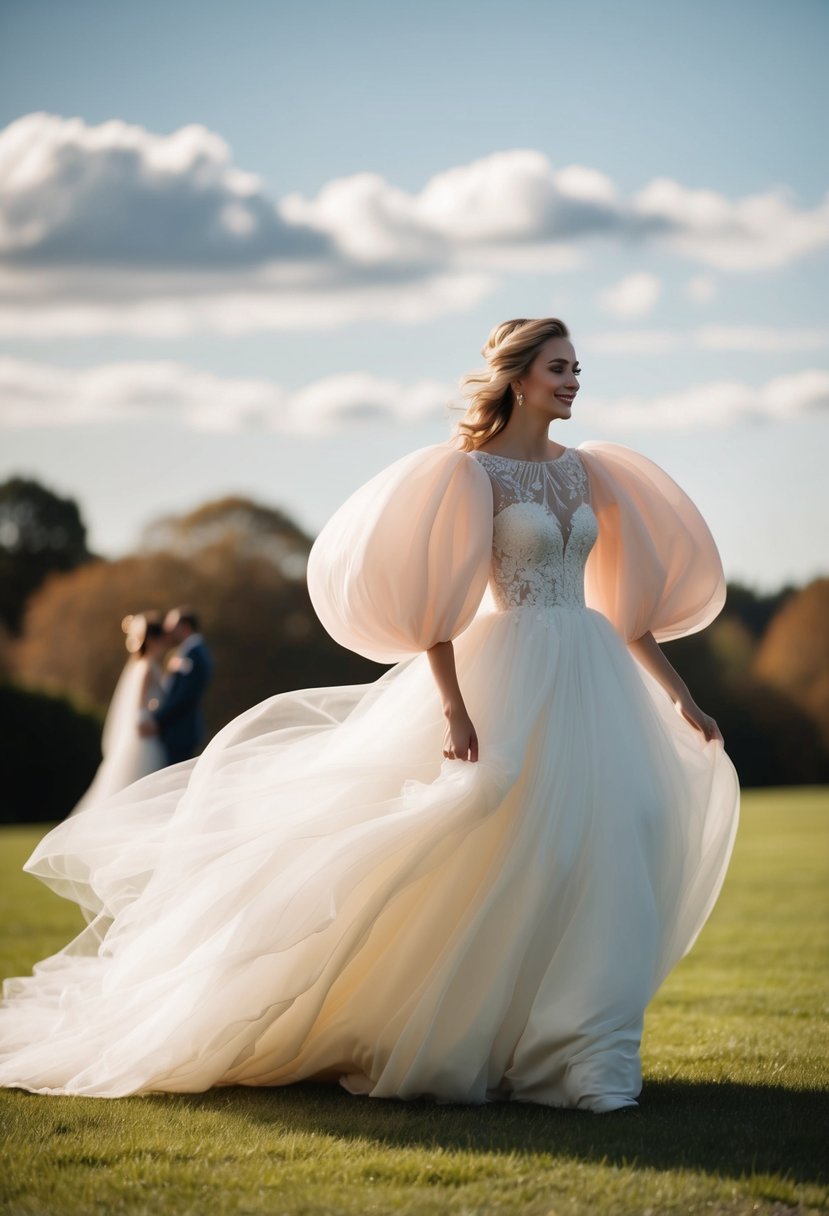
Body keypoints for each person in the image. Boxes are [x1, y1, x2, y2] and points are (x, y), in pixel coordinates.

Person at [0, 317, 739, 1114]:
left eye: (576, 368)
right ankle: (471, 1032)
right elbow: (436, 612)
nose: (572, 381)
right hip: (506, 676)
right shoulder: (470, 475)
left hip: (592, 678)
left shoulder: (589, 473)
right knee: (494, 851)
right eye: (558, 368)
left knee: (607, 848)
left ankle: (587, 1055)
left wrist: (679, 695)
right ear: (518, 379)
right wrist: (454, 710)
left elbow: (627, 612)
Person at [67, 611, 168, 817]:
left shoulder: (141, 665)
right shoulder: (147, 666)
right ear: (154, 639)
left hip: (144, 732)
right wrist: (146, 723)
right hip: (145, 733)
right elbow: (140, 702)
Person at [138, 606, 214, 765]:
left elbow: (185, 697)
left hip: (181, 732)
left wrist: (158, 721)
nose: (168, 632)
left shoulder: (196, 655)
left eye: (172, 627)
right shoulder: (186, 652)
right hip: (173, 731)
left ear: (185, 627)